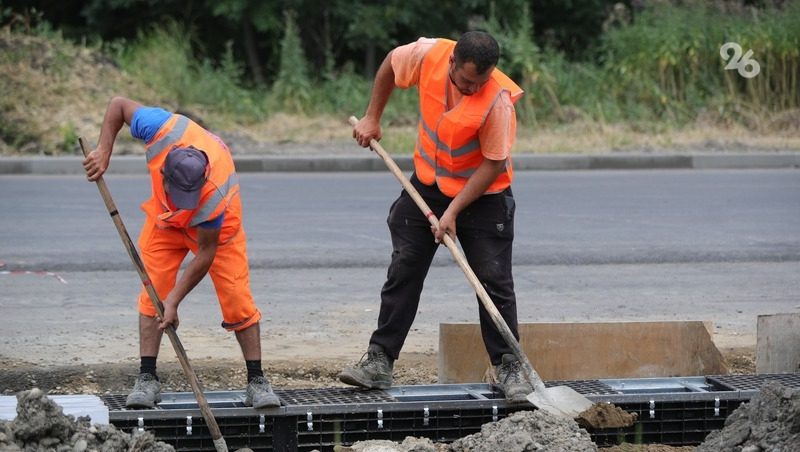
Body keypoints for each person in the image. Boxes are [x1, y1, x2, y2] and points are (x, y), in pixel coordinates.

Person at [340, 31, 533, 403]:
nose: (473, 89)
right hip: (428, 183)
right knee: (405, 268)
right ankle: (379, 361)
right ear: (452, 64)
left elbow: (493, 165)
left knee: (492, 281)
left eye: (480, 82)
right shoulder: (427, 55)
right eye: (466, 81)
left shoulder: (498, 102)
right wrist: (372, 116)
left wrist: (453, 212)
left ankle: (509, 365)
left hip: (484, 194)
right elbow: (389, 66)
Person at [83, 96, 280, 409]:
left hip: (217, 234)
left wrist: (174, 301)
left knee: (237, 298)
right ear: (165, 172)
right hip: (165, 223)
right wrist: (103, 151)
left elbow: (205, 255)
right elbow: (118, 105)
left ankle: (257, 380)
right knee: (152, 292)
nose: (182, 199)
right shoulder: (159, 128)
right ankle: (147, 377)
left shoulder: (214, 195)